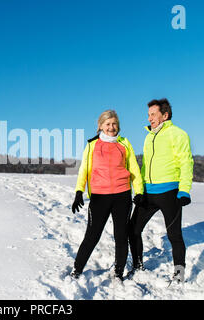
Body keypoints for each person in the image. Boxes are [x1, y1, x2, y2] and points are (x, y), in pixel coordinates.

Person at [70, 110, 144, 281]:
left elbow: (134, 169)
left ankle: (118, 272)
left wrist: (139, 191)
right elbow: (84, 170)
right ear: (100, 126)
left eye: (114, 124)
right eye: (108, 124)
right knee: (92, 235)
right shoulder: (92, 145)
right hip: (99, 196)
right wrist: (79, 191)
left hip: (122, 195)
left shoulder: (125, 143)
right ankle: (77, 269)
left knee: (121, 235)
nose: (112, 127)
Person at [128, 98, 194, 284]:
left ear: (165, 115)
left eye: (153, 114)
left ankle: (179, 274)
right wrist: (139, 191)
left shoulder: (178, 134)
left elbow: (186, 163)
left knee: (174, 235)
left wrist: (184, 190)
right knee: (133, 230)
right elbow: (144, 167)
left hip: (169, 193)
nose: (149, 118)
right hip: (149, 193)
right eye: (148, 115)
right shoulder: (149, 136)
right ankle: (138, 265)